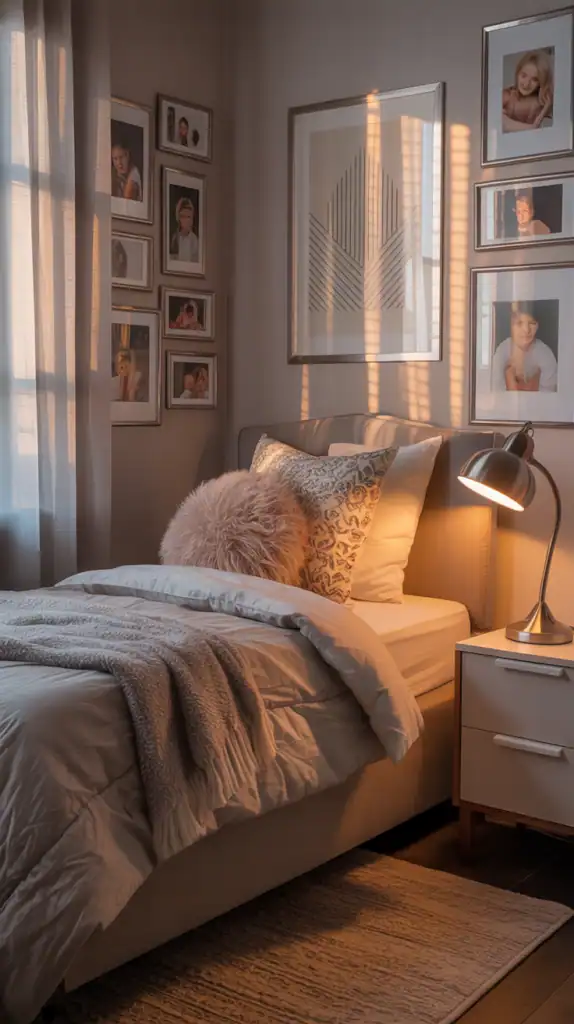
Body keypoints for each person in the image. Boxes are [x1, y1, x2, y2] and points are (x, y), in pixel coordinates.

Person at [492, 303, 557, 393]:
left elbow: (549, 392)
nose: (526, 330)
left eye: (532, 323)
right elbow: (496, 390)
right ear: (511, 325)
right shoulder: (502, 351)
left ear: (537, 326)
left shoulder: (545, 354)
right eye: (519, 323)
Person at [502, 50, 553, 131]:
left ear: (541, 82)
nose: (526, 84)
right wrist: (532, 127)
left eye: (534, 79)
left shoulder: (543, 102)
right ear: (517, 73)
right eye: (523, 75)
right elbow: (501, 123)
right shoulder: (507, 95)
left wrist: (545, 108)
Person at [170, 196, 199, 262]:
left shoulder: (194, 240)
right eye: (183, 216)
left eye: (189, 217)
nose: (186, 220)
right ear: (178, 218)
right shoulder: (174, 239)